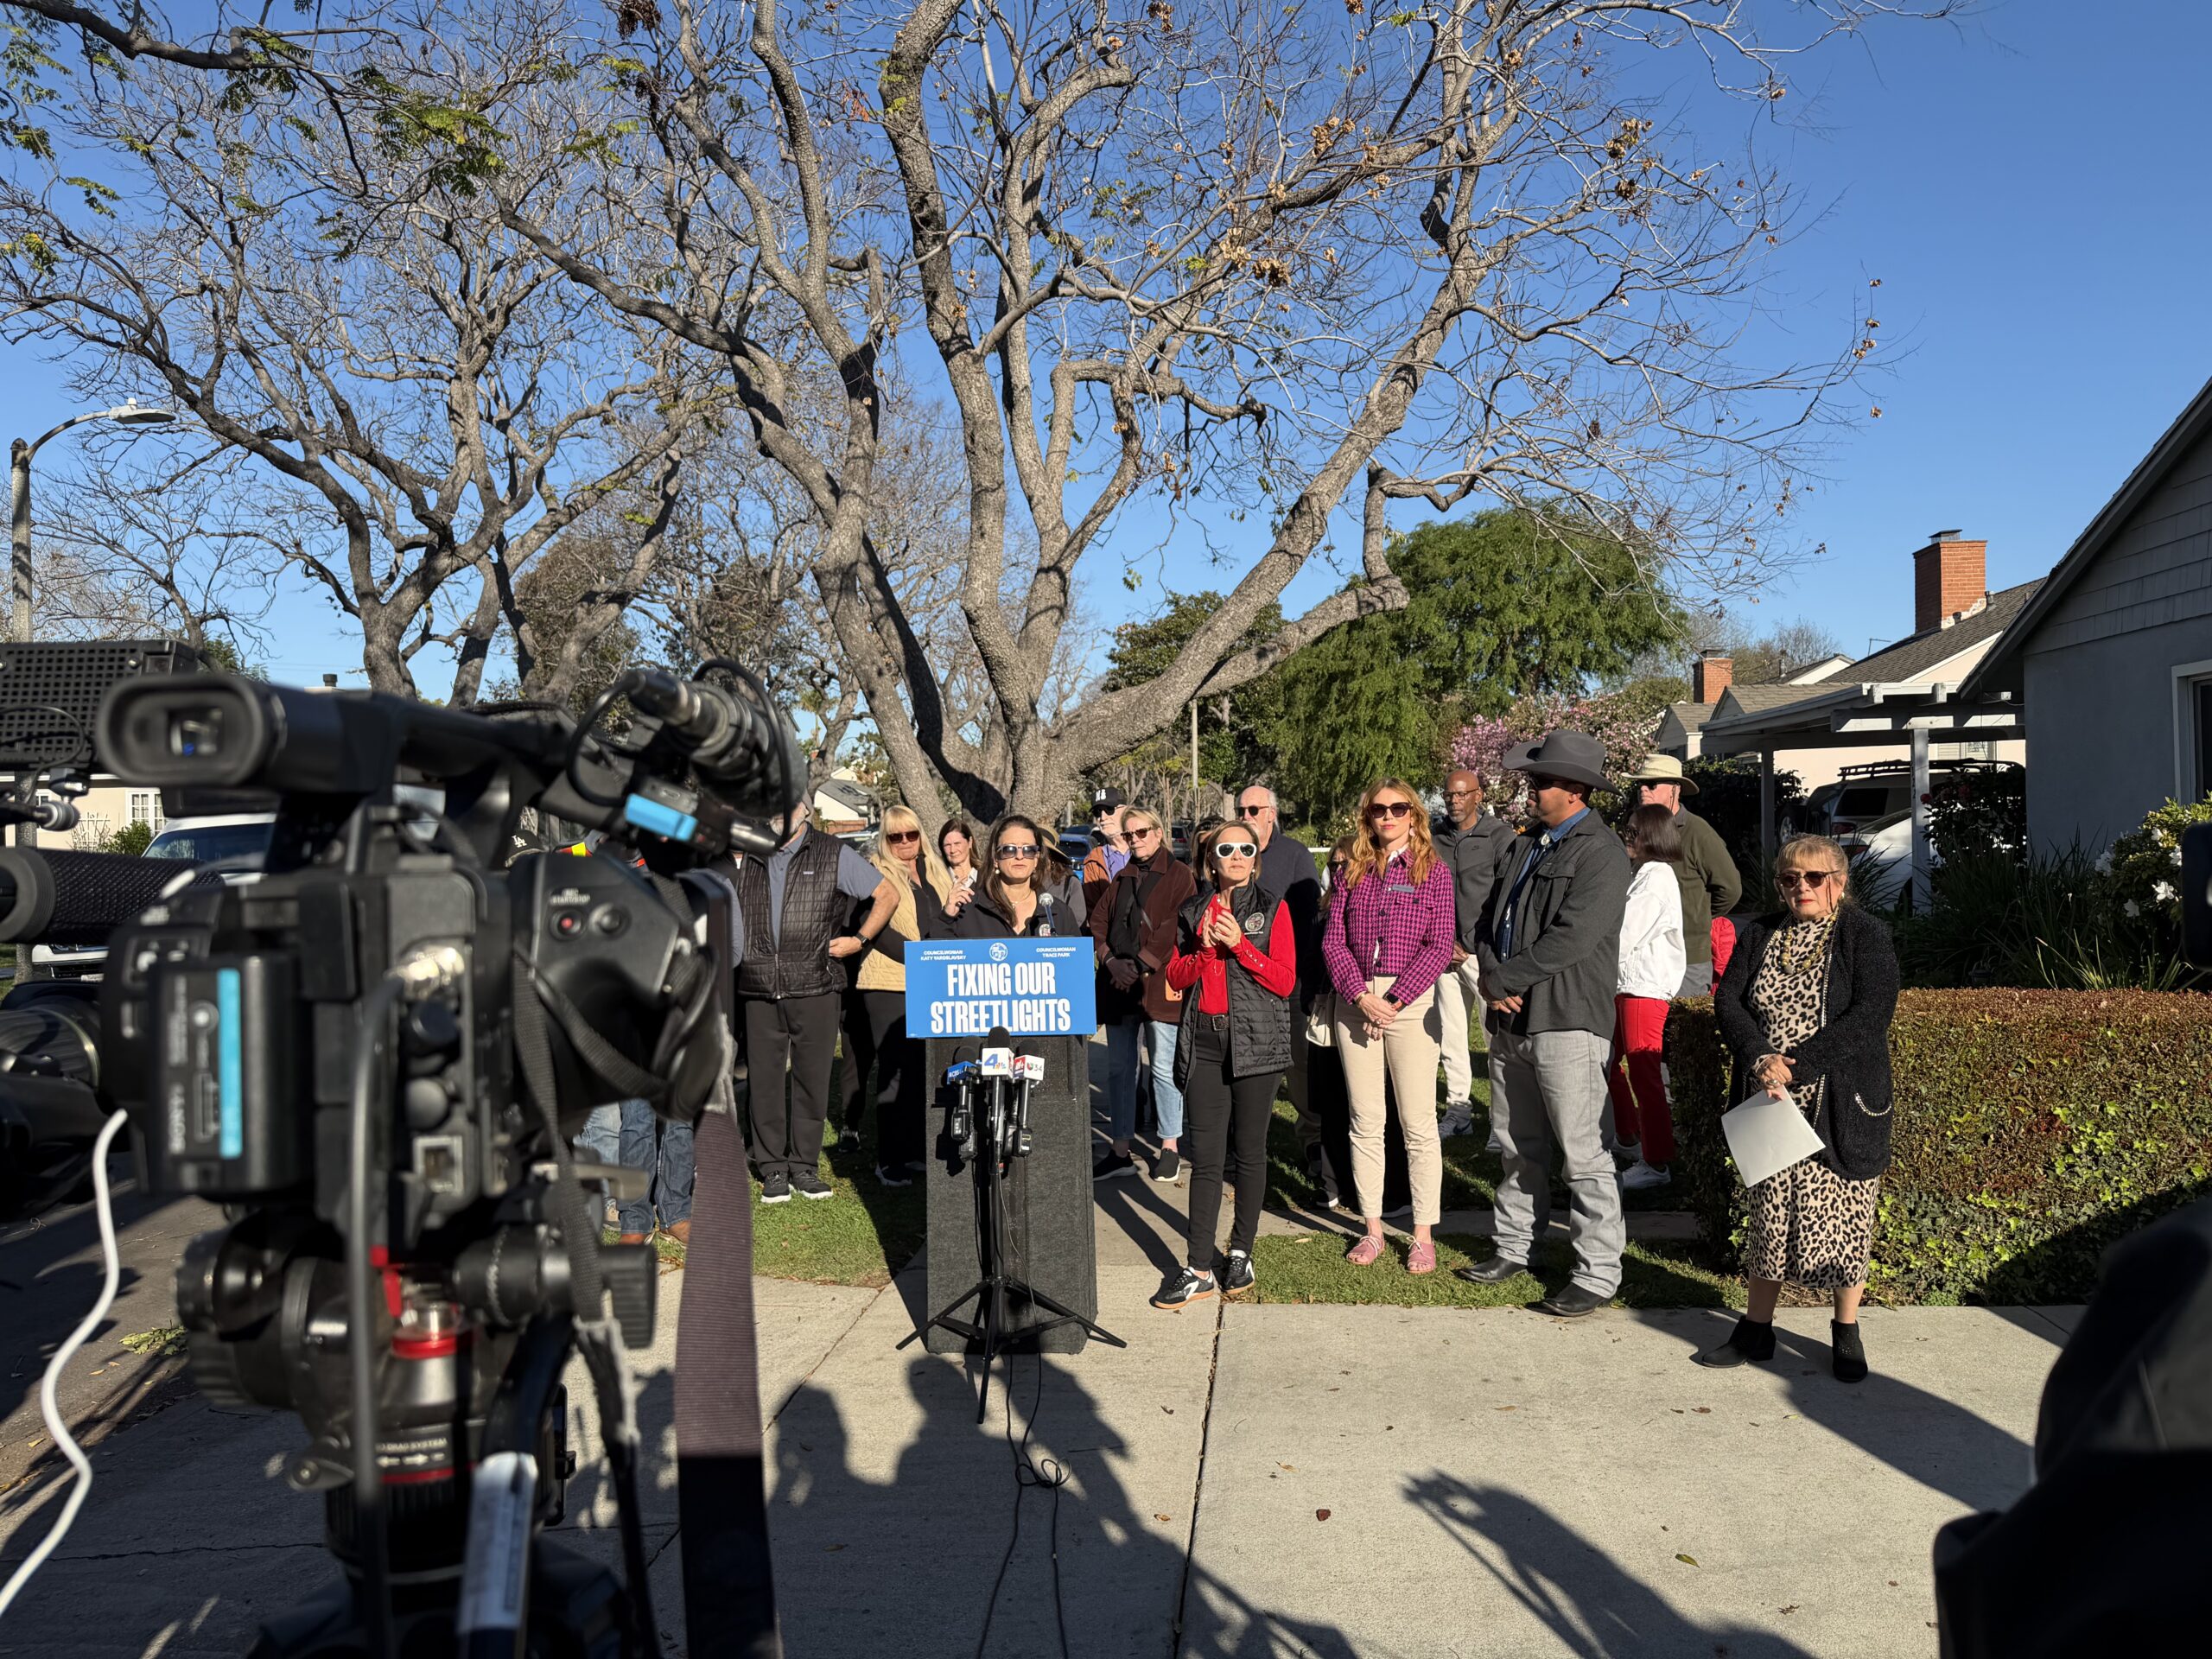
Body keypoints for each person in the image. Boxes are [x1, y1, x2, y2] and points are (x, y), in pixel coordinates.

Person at [1697, 834, 1899, 1382]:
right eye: (1790, 878)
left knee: (1847, 1217)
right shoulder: (1761, 932)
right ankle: (1756, 1329)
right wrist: (1760, 1057)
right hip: (1771, 1098)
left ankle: (1846, 1331)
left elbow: (1870, 1014)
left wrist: (1799, 1065)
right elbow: (1729, 1000)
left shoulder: (1865, 935)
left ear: (1840, 881)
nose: (1801, 887)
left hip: (1839, 1101)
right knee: (1769, 1215)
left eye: (1814, 877)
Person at [1464, 730, 1630, 1318]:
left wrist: (1504, 979)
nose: (1531, 790)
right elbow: (1488, 920)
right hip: (1512, 1020)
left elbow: (1573, 938)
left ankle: (1598, 1272)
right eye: (1533, 780)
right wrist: (1491, 974)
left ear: (1576, 790)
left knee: (1583, 1155)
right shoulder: (1525, 845)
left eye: (1542, 782)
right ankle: (1515, 1246)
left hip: (1567, 1018)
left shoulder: (1602, 853)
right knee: (1517, 1145)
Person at [1150, 824, 1298, 1307]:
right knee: (1207, 1158)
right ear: (1211, 860)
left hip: (1256, 1043)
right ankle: (1198, 1267)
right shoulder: (1193, 911)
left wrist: (1241, 946)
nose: (1236, 855)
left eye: (1246, 849)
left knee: (1250, 1153)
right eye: (1226, 849)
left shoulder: (1273, 908)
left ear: (1255, 859)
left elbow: (1284, 981)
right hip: (1206, 1044)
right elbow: (1175, 976)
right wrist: (1205, 951)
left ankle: (1240, 1253)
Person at [734, 799, 901, 1204]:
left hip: (817, 985)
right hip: (759, 986)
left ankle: (804, 1167)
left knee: (812, 1081)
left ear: (805, 809)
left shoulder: (833, 852)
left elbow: (887, 894)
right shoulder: (749, 852)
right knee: (765, 1082)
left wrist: (858, 940)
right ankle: (773, 1168)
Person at [1322, 778, 1456, 1274]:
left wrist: (1393, 1001)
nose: (1388, 817)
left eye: (1399, 809)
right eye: (1379, 810)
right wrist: (1361, 996)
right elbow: (1333, 941)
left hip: (1410, 1004)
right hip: (1355, 1000)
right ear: (1368, 818)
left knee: (1418, 1125)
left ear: (1414, 815)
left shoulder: (1434, 872)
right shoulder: (1351, 872)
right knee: (1365, 1121)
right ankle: (1373, 1229)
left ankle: (1422, 1234)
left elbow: (1440, 945)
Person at [836, 805, 951, 1187]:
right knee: (894, 1071)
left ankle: (915, 1151)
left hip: (931, 980)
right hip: (888, 982)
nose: (904, 842)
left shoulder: (936, 871)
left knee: (921, 1070)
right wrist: (920, 958)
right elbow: (872, 927)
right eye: (895, 836)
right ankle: (888, 1160)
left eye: (911, 834)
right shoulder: (875, 872)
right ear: (884, 840)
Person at [1090, 805, 1197, 1183]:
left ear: (1158, 832)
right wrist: (1110, 961)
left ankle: (1170, 1147)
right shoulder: (1123, 875)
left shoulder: (1180, 875)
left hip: (1159, 985)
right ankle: (1120, 1149)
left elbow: (1174, 929)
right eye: (1129, 834)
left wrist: (1137, 966)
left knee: (1163, 1068)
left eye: (1141, 832)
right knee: (1120, 1070)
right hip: (1118, 985)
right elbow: (1098, 921)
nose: (1135, 840)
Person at [1236, 785, 1326, 1188]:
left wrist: (1304, 980)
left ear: (1271, 813)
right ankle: (1241, 1149)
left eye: (1253, 809)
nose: (1245, 816)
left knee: (1301, 1071)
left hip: (1290, 985)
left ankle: (1314, 1147)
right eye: (1241, 810)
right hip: (1242, 989)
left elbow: (1311, 923)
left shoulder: (1295, 855)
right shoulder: (1233, 852)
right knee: (1247, 1070)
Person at [1433, 769, 1516, 1141]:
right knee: (1451, 1039)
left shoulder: (1499, 837)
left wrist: (1482, 946)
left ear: (1478, 796)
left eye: (1461, 794)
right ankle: (1459, 1112)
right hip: (1443, 956)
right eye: (1449, 795)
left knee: (1495, 1041)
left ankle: (1502, 1122)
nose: (1454, 801)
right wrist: (1441, 940)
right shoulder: (1434, 838)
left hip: (1485, 956)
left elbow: (1508, 899)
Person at [1610, 804, 1687, 1193]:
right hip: (1627, 986)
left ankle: (1656, 1162)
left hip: (1644, 989)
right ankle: (1627, 1136)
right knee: (1607, 1062)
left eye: (1633, 831)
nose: (1627, 837)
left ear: (1652, 836)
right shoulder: (1643, 873)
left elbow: (1624, 936)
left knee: (1645, 1076)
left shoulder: (1657, 878)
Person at [1623, 753, 1741, 996]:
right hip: (1644, 958)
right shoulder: (1636, 830)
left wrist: (1696, 918)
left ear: (1675, 789)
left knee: (1680, 1019)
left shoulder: (1698, 832)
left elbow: (1730, 889)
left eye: (1652, 784)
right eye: (1640, 784)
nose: (1643, 790)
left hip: (1688, 958)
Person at [931, 814, 1077, 939]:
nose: (1019, 856)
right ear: (995, 858)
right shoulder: (969, 909)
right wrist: (946, 918)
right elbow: (934, 956)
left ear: (1036, 859)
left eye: (1028, 850)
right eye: (1009, 849)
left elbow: (1077, 960)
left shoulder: (1058, 913)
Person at [1083, 786, 1131, 910]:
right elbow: (1093, 910)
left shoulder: (1145, 848)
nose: (1103, 817)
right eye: (1098, 812)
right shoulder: (1093, 862)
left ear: (1126, 810)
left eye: (1109, 809)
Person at [939, 818, 980, 899]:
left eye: (957, 843)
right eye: (947, 845)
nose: (952, 850)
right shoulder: (938, 881)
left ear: (970, 842)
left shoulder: (987, 878)